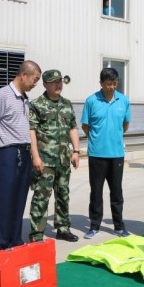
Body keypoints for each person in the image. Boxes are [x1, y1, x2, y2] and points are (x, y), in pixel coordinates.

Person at [0, 61, 42, 251]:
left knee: (19, 200)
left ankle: (15, 241)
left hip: (23, 153)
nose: (35, 84)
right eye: (35, 79)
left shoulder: (24, 98)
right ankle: (2, 246)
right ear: (24, 75)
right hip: (8, 152)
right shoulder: (3, 95)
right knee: (5, 201)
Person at [28, 69, 80, 242]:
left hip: (63, 158)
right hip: (45, 160)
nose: (58, 85)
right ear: (45, 84)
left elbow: (73, 127)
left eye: (60, 81)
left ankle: (63, 228)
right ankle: (37, 233)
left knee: (63, 195)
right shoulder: (36, 105)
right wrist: (35, 156)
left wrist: (76, 151)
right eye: (54, 82)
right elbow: (31, 131)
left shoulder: (67, 104)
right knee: (41, 197)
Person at [81, 67, 131, 239]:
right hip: (97, 154)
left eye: (115, 83)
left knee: (117, 192)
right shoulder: (91, 101)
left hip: (116, 154)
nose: (112, 87)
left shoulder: (123, 100)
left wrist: (113, 137)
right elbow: (85, 126)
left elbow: (125, 125)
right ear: (101, 83)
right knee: (96, 192)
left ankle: (119, 226)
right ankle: (94, 226)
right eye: (108, 84)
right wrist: (97, 140)